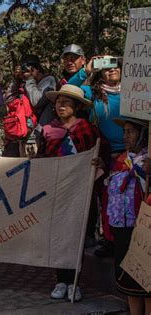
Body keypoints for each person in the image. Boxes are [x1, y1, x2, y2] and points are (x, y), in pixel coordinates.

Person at [35, 85, 104, 302]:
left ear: (76, 106)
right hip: (57, 192)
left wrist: (99, 162)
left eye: (66, 101)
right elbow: (42, 158)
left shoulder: (89, 129)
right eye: (58, 102)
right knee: (58, 237)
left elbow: (102, 157)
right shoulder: (48, 130)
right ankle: (60, 281)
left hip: (81, 192)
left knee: (77, 237)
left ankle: (74, 281)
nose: (61, 105)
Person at [93, 117, 151, 315]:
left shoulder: (147, 161)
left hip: (142, 227)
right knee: (126, 278)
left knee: (145, 280)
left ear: (143, 135)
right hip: (121, 228)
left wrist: (145, 173)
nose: (125, 136)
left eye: (131, 132)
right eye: (124, 131)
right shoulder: (120, 161)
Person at [68, 56, 124, 257]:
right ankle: (108, 240)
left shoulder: (134, 92)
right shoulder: (93, 94)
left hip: (132, 152)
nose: (111, 71)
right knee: (105, 198)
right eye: (107, 68)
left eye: (115, 66)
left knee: (128, 198)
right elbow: (68, 90)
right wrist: (86, 71)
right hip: (104, 153)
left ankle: (125, 238)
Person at [21, 54, 59, 128]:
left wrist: (29, 79)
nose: (27, 71)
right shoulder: (28, 83)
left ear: (38, 68)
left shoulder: (49, 79)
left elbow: (37, 101)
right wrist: (17, 80)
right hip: (31, 126)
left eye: (31, 68)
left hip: (46, 125)